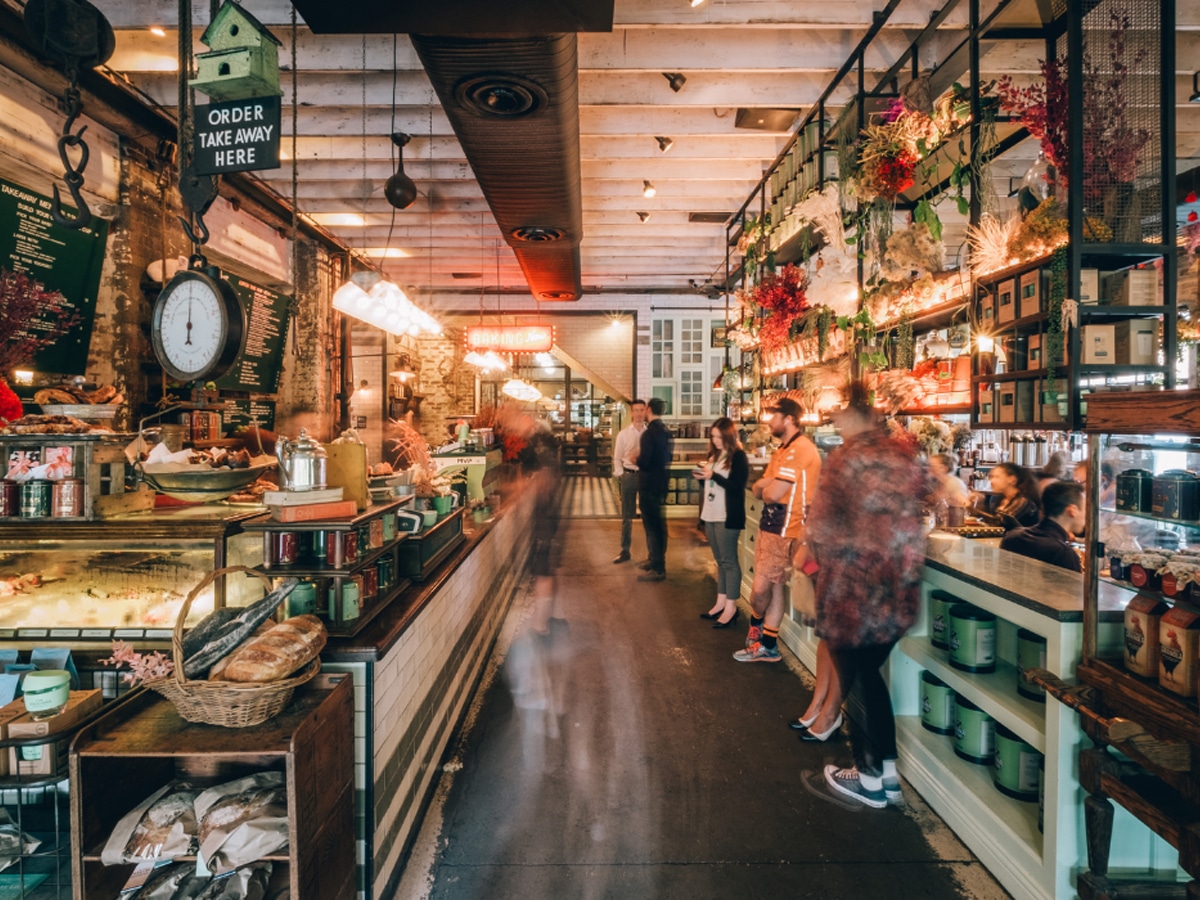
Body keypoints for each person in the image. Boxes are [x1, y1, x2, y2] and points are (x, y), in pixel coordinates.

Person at [808, 382, 930, 809]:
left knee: (859, 680)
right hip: (900, 586)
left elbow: (820, 526)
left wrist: (808, 569)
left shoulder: (845, 458)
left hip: (855, 590)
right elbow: (927, 501)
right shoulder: (903, 453)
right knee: (870, 677)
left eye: (839, 414)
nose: (835, 421)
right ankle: (888, 773)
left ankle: (869, 778)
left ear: (856, 416)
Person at [733, 397, 821, 663]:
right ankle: (766, 642)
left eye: (773, 416)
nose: (769, 421)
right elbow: (761, 487)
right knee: (771, 586)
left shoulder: (800, 449)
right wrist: (766, 487)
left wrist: (768, 487)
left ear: (789, 419)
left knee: (762, 587)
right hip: (770, 525)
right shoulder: (782, 450)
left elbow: (773, 492)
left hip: (788, 527)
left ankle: (761, 635)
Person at [695, 417, 749, 627]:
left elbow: (737, 487)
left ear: (728, 435)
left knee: (729, 562)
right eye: (713, 436)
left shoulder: (739, 457)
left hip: (727, 516)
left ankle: (731, 607)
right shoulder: (715, 455)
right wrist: (703, 479)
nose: (715, 440)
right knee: (720, 561)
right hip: (711, 513)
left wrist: (713, 476)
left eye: (719, 436)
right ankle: (720, 602)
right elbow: (712, 486)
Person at [999, 480, 1085, 572]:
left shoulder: (1012, 537)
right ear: (1073, 510)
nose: (1087, 516)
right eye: (1085, 509)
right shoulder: (1063, 554)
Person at [636, 397, 672, 582]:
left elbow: (645, 461)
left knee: (652, 527)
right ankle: (654, 559)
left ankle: (658, 568)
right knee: (658, 525)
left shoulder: (648, 434)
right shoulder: (666, 431)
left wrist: (636, 458)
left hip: (648, 484)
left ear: (648, 409)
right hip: (661, 484)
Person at [611, 399, 648, 564]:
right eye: (636, 410)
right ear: (632, 413)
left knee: (648, 516)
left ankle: (652, 555)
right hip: (629, 476)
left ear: (645, 411)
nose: (639, 414)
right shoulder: (623, 434)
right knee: (627, 516)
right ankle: (625, 551)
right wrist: (621, 474)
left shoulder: (649, 434)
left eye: (642, 410)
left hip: (646, 476)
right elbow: (617, 458)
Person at [972, 462, 1040, 529]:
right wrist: (978, 504)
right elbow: (989, 522)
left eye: (997, 477)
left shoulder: (1022, 500)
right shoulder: (998, 499)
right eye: (991, 477)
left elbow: (1000, 523)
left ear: (1012, 479)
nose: (992, 481)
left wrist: (973, 508)